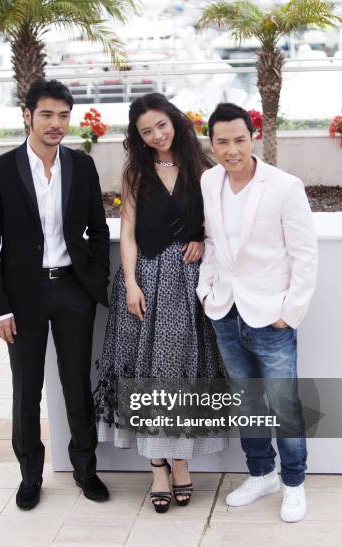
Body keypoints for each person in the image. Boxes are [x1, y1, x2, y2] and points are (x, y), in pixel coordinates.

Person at [0, 79, 110, 510]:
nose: (56, 124)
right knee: (26, 389)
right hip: (23, 295)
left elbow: (98, 226)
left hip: (73, 289)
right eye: (47, 115)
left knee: (77, 383)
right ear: (28, 116)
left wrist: (97, 283)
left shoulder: (81, 165)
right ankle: (30, 476)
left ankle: (86, 470)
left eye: (63, 115)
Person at [95, 93, 227, 513]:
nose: (156, 136)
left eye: (161, 126)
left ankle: (182, 462)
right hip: (147, 281)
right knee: (148, 373)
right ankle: (157, 467)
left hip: (189, 285)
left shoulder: (202, 167)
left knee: (181, 373)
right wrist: (131, 283)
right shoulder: (136, 171)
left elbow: (221, 221)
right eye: (146, 131)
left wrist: (201, 238)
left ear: (175, 121)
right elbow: (128, 231)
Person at [197, 103, 318, 522]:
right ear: (211, 144)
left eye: (239, 140)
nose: (231, 150)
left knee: (284, 404)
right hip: (225, 310)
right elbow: (213, 242)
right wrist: (206, 290)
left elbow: (305, 255)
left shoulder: (284, 186)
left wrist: (290, 311)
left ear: (254, 138)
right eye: (222, 142)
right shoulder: (209, 180)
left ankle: (294, 483)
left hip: (271, 315)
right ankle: (261, 473)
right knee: (246, 400)